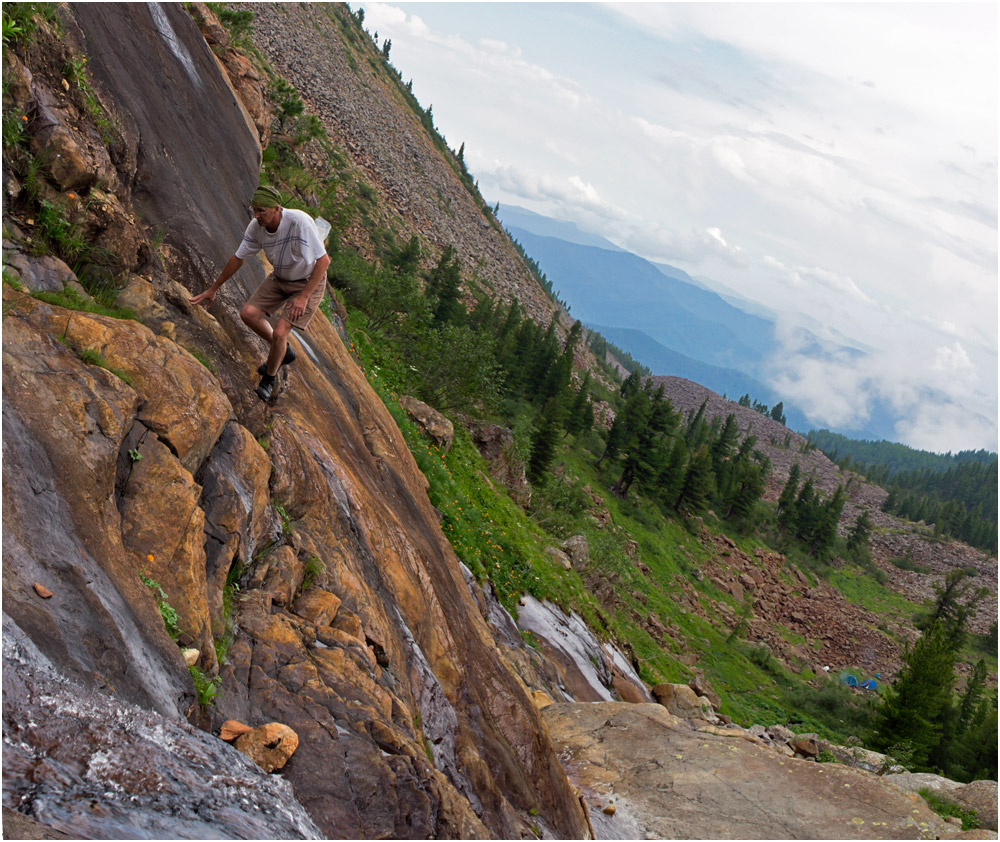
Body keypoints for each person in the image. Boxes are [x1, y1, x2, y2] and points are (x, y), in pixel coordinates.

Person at [189, 185, 331, 401]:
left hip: (307, 282)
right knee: (248, 314)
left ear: (277, 209)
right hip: (281, 277)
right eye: (254, 210)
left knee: (281, 332)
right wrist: (213, 288)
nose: (256, 216)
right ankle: (284, 351)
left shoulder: (299, 222)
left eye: (261, 211)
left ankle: (269, 379)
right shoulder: (256, 227)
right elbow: (238, 258)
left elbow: (324, 261)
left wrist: (304, 297)